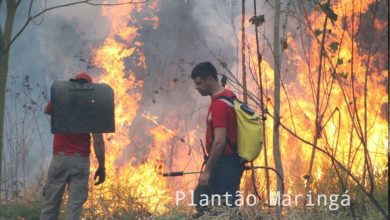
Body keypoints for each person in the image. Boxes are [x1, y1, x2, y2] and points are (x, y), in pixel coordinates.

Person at [40, 72, 106, 220]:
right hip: (80, 162)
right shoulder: (91, 109)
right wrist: (102, 167)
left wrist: (60, 97)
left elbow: (46, 110)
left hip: (60, 160)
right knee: (74, 209)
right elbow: (98, 142)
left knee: (50, 206)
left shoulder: (61, 100)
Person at [191, 62, 244, 212]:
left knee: (224, 210)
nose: (197, 88)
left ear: (210, 79)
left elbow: (220, 141)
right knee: (213, 203)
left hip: (224, 164)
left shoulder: (219, 105)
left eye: (199, 83)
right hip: (229, 162)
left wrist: (207, 171)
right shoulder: (229, 96)